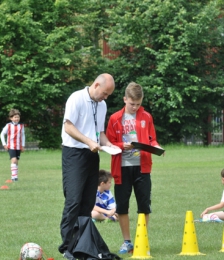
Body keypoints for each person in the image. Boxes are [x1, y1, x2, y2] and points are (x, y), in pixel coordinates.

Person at [59, 73, 117, 260]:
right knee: (74, 201)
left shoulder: (102, 105)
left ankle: (81, 246)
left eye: (108, 95)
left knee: (87, 202)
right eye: (105, 93)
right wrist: (88, 141)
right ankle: (67, 247)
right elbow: (68, 126)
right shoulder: (76, 98)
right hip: (74, 153)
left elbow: (100, 132)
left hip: (92, 155)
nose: (106, 97)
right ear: (96, 84)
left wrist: (108, 145)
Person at [106, 82, 163, 254]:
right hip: (122, 168)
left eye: (138, 104)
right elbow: (108, 143)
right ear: (125, 99)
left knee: (144, 205)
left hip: (143, 167)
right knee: (122, 206)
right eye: (132, 104)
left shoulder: (146, 117)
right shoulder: (115, 118)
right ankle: (127, 242)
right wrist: (123, 145)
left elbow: (152, 139)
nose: (135, 107)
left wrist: (157, 147)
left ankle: (141, 240)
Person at [0, 109, 25, 182]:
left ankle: (15, 176)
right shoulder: (8, 126)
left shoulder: (21, 126)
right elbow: (2, 134)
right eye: (15, 117)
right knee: (13, 160)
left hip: (18, 146)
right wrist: (4, 144)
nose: (17, 119)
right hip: (11, 146)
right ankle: (14, 177)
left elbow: (23, 135)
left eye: (18, 117)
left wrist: (22, 145)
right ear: (11, 118)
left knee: (16, 161)